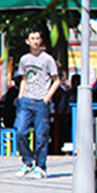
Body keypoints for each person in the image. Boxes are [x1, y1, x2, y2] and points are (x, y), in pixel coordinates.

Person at [14, 27, 60, 178]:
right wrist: (21, 96)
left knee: (41, 135)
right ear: (27, 41)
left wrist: (46, 98)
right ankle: (27, 162)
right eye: (32, 39)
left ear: (41, 40)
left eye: (37, 38)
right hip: (26, 100)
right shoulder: (24, 59)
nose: (35, 41)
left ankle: (40, 166)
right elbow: (24, 79)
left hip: (41, 101)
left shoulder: (48, 59)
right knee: (20, 131)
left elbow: (56, 80)